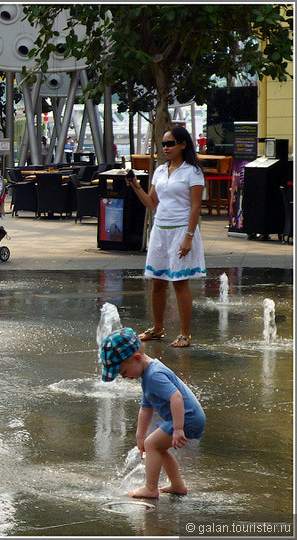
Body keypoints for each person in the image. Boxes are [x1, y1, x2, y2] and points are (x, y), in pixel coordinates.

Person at [100, 327, 205, 499]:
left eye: (124, 372)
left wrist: (178, 429)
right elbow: (146, 408)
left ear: (137, 358)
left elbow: (176, 397)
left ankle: (150, 488)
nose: (124, 377)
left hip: (187, 419)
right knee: (158, 448)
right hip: (187, 418)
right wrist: (140, 435)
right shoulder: (147, 374)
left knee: (152, 445)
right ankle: (178, 486)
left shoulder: (154, 375)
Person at [126, 126, 205, 347]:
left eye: (170, 143)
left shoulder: (193, 172)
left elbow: (196, 207)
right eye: (163, 144)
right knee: (157, 282)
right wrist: (134, 185)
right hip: (160, 231)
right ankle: (158, 328)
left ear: (183, 145)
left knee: (179, 283)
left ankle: (185, 333)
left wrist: (189, 237)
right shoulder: (161, 170)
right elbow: (152, 203)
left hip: (182, 230)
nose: (165, 148)